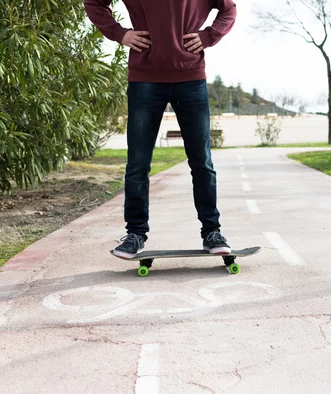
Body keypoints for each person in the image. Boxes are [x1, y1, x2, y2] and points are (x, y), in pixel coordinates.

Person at [83, 0, 237, 258]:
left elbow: (229, 8)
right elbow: (94, 3)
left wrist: (209, 36)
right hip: (145, 78)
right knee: (137, 165)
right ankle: (135, 234)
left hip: (190, 78)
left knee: (202, 163)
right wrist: (120, 34)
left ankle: (212, 232)